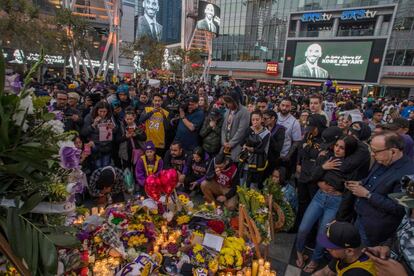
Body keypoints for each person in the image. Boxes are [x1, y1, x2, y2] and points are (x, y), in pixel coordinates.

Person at [296, 135, 359, 272]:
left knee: (322, 234)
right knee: (303, 228)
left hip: (335, 201)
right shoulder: (327, 157)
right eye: (336, 146)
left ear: (348, 150)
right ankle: (299, 252)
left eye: (342, 148)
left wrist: (341, 212)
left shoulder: (351, 166)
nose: (338, 149)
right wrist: (323, 168)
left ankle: (315, 260)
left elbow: (347, 189)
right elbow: (312, 175)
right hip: (320, 197)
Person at [346, 132, 414, 246]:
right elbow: (373, 179)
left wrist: (367, 195)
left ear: (393, 151)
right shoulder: (382, 159)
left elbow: (400, 209)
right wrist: (360, 183)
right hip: (360, 216)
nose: (372, 154)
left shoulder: (409, 174)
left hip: (374, 228)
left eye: (375, 151)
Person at [239, 110, 270, 189]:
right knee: (242, 183)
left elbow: (261, 150)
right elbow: (241, 142)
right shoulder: (249, 129)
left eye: (257, 119)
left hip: (257, 163)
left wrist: (249, 148)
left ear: (262, 119)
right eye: (253, 120)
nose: (255, 122)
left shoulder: (266, 133)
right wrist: (245, 146)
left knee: (253, 186)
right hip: (246, 160)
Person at [81, 101, 117, 169]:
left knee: (106, 167)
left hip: (107, 147)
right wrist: (93, 125)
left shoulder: (110, 117)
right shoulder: (89, 117)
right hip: (95, 147)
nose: (102, 114)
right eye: (100, 111)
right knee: (97, 167)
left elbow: (116, 130)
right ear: (96, 110)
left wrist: (113, 128)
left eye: (104, 111)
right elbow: (83, 132)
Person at [221, 91, 250, 162]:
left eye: (229, 102)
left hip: (237, 147)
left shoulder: (244, 111)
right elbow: (223, 129)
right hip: (225, 146)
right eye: (226, 102)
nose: (228, 105)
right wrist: (224, 142)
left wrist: (231, 144)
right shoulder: (227, 111)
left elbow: (242, 131)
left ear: (235, 101)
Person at [277, 97, 302, 178]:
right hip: (271, 155)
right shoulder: (274, 117)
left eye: (287, 106)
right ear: (279, 105)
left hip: (283, 157)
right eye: (283, 105)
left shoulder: (294, 122)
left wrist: (288, 156)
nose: (284, 108)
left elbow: (296, 141)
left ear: (291, 107)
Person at [263, 110, 285, 176]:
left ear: (273, 118)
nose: (263, 120)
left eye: (265, 119)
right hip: (262, 159)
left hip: (272, 160)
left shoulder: (280, 130)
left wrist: (269, 135)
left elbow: (278, 148)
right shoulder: (263, 128)